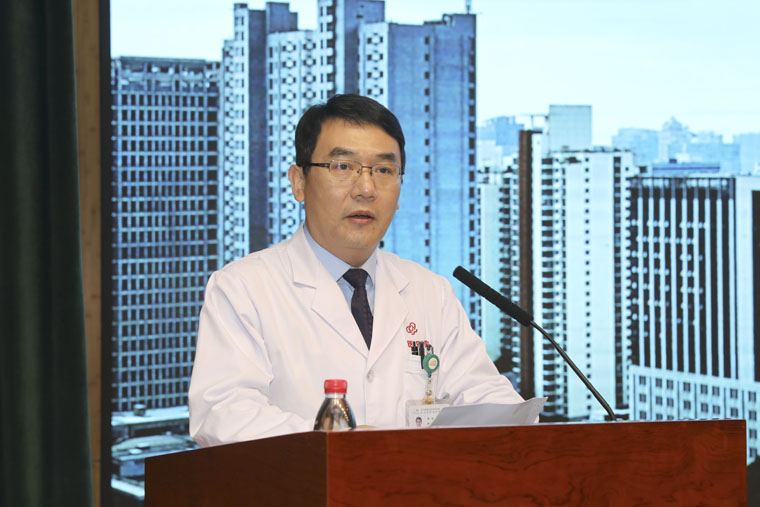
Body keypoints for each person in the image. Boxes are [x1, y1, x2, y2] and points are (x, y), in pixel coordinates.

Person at [188, 94, 527, 447]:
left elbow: (486, 397)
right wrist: (338, 445)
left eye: (384, 170)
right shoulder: (243, 288)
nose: (366, 189)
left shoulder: (430, 291)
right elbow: (223, 414)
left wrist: (524, 427)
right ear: (299, 182)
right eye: (343, 167)